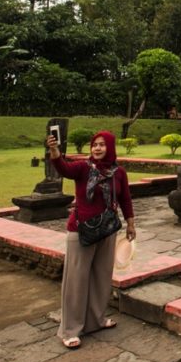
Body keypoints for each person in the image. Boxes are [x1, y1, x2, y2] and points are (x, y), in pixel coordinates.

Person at [46, 130, 135, 350]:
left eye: (102, 144)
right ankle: (70, 329)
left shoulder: (119, 172)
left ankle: (95, 320)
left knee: (101, 277)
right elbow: (64, 169)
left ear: (111, 147)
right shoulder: (83, 168)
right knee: (76, 281)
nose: (97, 148)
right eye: (94, 144)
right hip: (81, 230)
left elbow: (125, 198)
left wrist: (131, 223)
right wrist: (55, 151)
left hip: (107, 230)